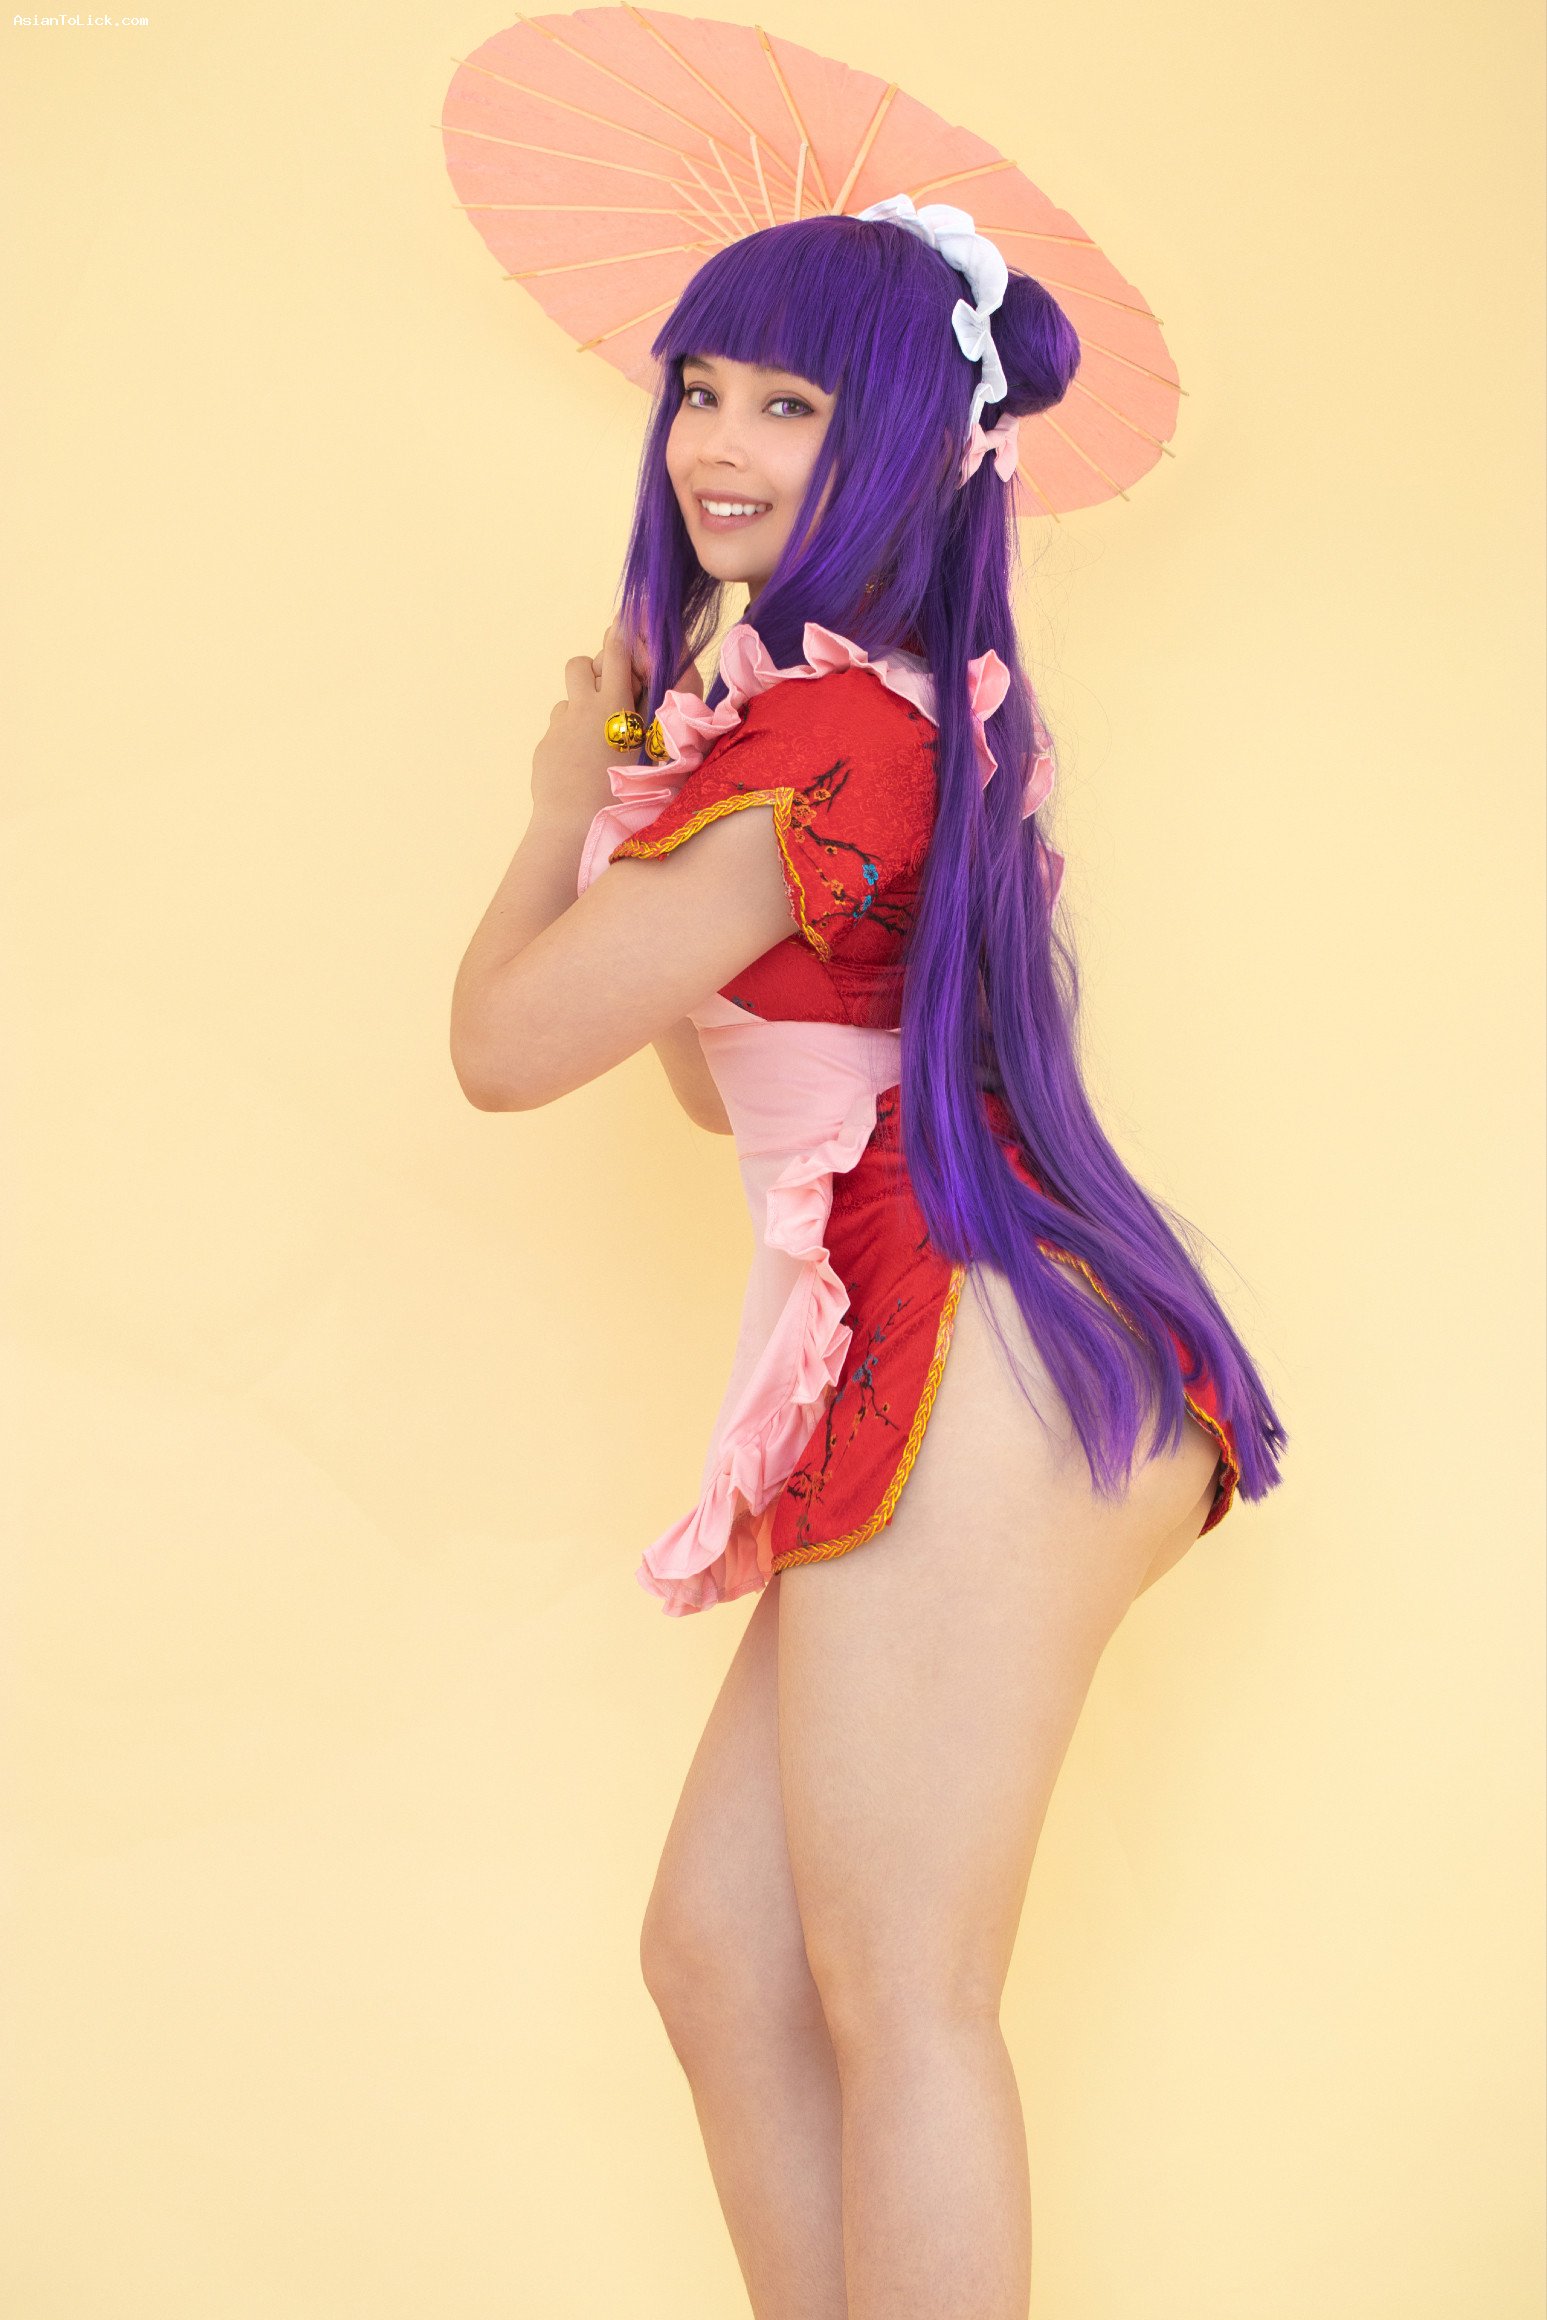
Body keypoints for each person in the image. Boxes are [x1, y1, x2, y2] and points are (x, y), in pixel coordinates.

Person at [450, 199, 1287, 2320]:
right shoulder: (847, 724)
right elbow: (708, 1086)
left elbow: (506, 1049)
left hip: (979, 1341)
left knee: (907, 1993)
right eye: (700, 389)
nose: (717, 443)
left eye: (791, 402)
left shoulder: (833, 737)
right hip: (954, 1334)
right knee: (726, 1958)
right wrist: (648, 816)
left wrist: (557, 813)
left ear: (904, 437)